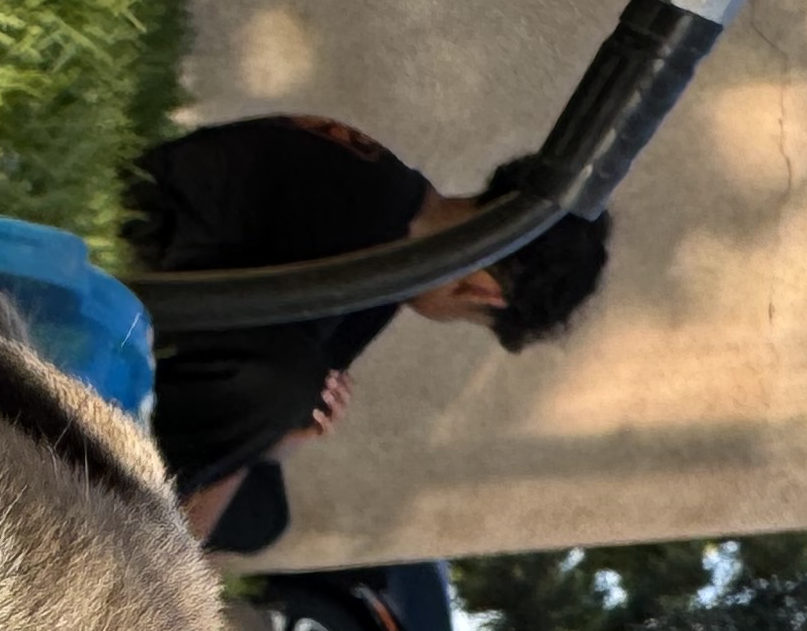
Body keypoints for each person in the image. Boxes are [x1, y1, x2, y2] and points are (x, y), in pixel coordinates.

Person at [126, 115, 611, 554]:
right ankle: (145, 565)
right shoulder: (370, 218)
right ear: (483, 294)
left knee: (261, 514)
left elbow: (266, 404)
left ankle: (153, 541)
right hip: (150, 261)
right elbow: (263, 387)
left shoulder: (395, 253)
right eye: (473, 321)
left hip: (193, 315)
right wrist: (176, 554)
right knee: (282, 390)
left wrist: (293, 433)